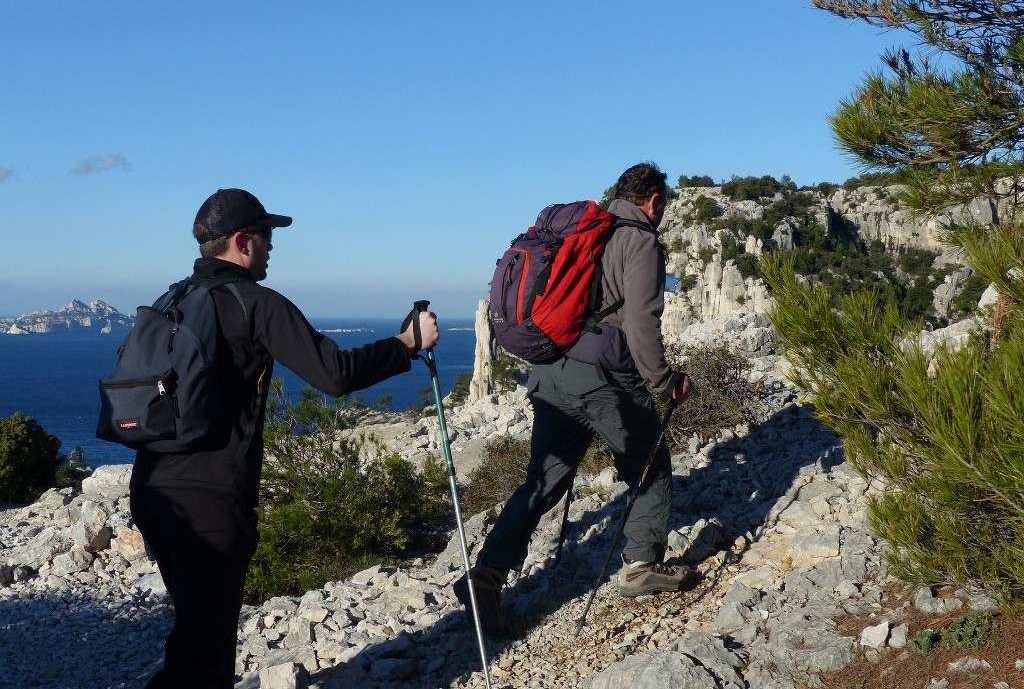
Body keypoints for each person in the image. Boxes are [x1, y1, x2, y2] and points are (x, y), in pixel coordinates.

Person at [129, 188, 439, 689]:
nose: (272, 246)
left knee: (194, 641)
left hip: (152, 492)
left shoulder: (174, 299)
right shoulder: (254, 303)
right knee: (203, 659)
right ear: (241, 241)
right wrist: (406, 344)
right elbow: (335, 374)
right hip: (211, 503)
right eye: (266, 235)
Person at [455, 162, 692, 637]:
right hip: (603, 374)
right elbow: (643, 323)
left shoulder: (585, 231)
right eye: (662, 205)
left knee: (544, 479)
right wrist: (665, 382)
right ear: (654, 201)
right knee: (649, 461)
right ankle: (643, 563)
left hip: (550, 371)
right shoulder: (639, 240)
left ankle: (487, 574)